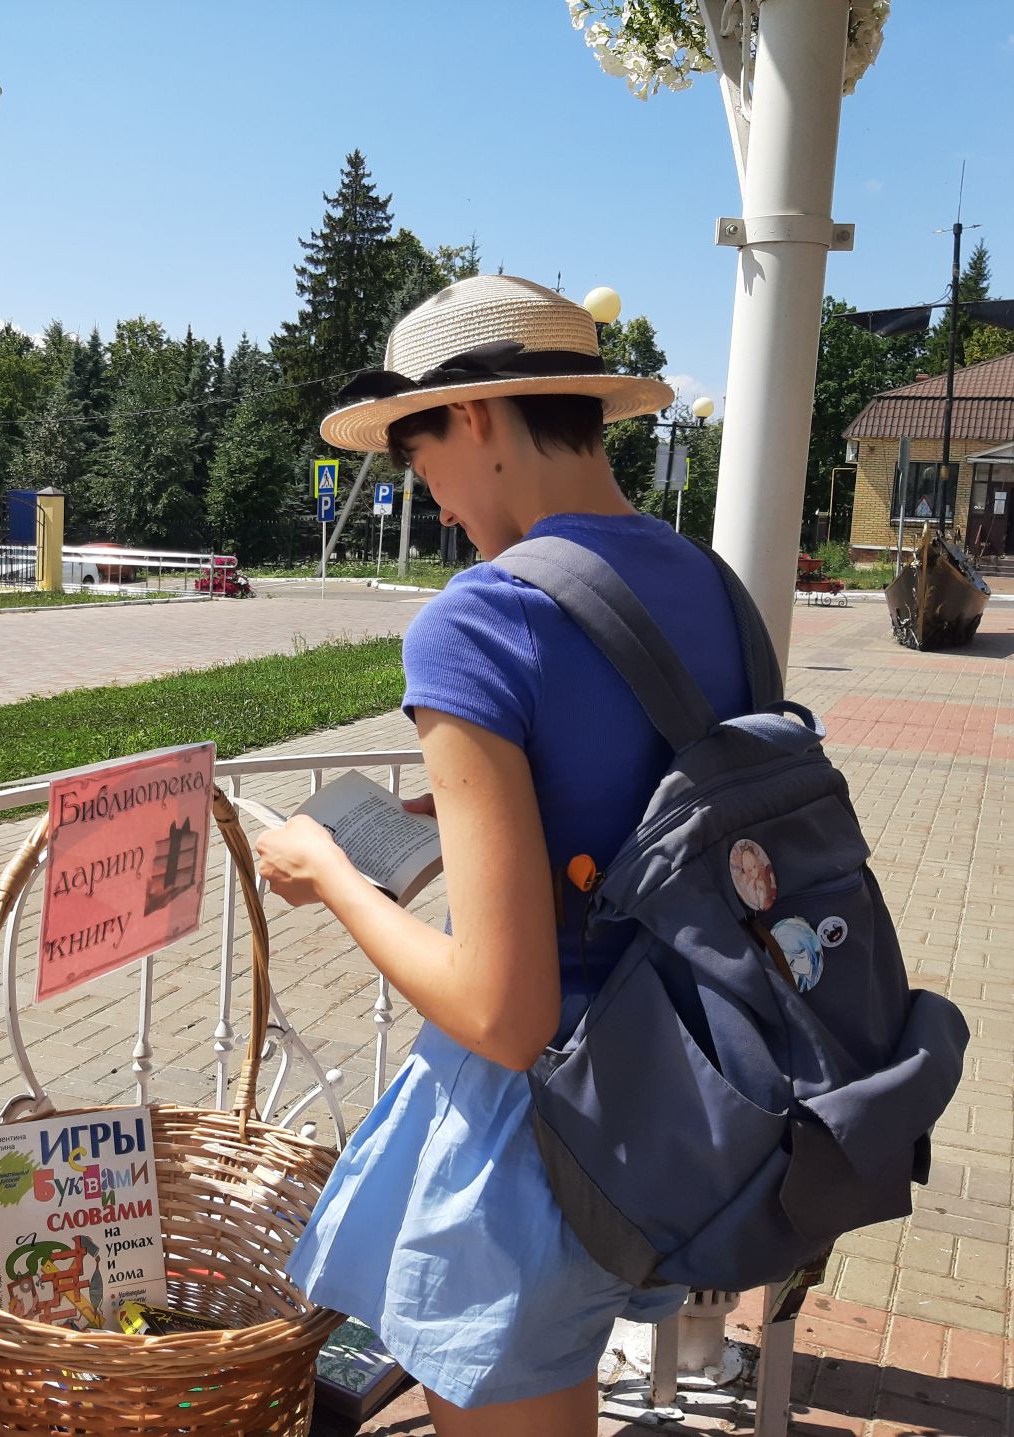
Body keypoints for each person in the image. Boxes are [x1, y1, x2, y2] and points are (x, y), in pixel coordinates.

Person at [253, 275, 755, 1436]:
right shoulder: (713, 588)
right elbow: (654, 794)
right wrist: (486, 806)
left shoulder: (481, 620)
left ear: (473, 419)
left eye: (416, 451)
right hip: (690, 1094)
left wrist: (330, 874)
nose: (424, 493)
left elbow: (501, 1008)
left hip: (541, 1129)